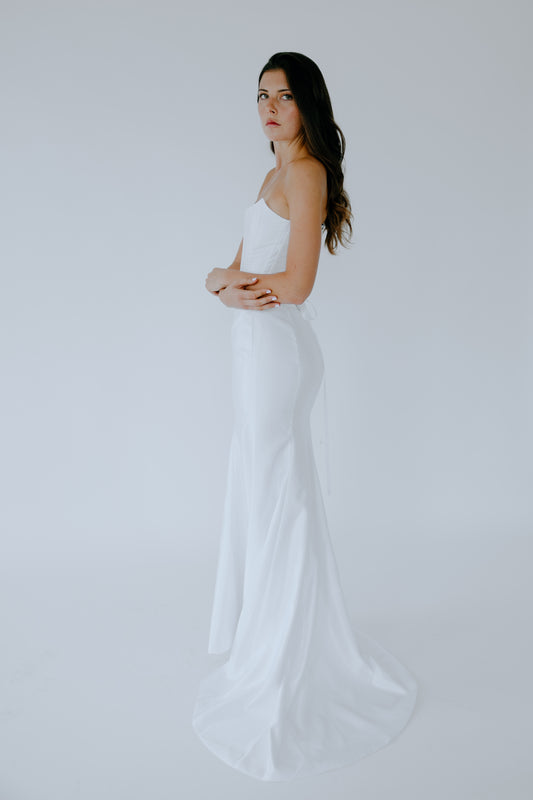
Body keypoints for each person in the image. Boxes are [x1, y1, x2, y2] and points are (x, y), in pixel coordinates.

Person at [192, 52, 418, 782]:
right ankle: (272, 639)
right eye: (260, 95)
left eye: (282, 96)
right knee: (269, 495)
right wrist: (219, 282)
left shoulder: (307, 172)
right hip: (252, 347)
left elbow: (294, 281)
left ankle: (283, 664)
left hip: (275, 356)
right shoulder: (269, 175)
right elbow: (224, 269)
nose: (267, 106)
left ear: (306, 105)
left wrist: (228, 284)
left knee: (279, 499)